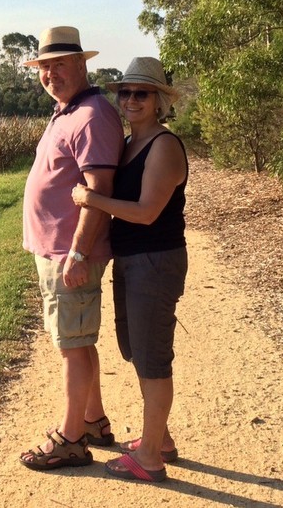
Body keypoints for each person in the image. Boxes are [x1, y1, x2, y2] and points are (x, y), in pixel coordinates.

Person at [71, 55, 188, 483]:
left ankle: (152, 459)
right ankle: (161, 439)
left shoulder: (164, 145)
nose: (132, 99)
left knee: (153, 357)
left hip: (155, 261)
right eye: (126, 92)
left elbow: (145, 212)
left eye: (142, 93)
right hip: (134, 261)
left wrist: (91, 199)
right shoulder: (129, 142)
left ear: (159, 101)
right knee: (137, 349)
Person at [18, 26, 125, 470]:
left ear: (82, 64)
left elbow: (99, 189)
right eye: (44, 67)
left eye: (59, 64)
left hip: (70, 253)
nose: (50, 74)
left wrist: (78, 253)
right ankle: (94, 421)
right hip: (58, 251)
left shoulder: (93, 115)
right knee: (77, 341)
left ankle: (70, 439)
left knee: (73, 346)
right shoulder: (69, 110)